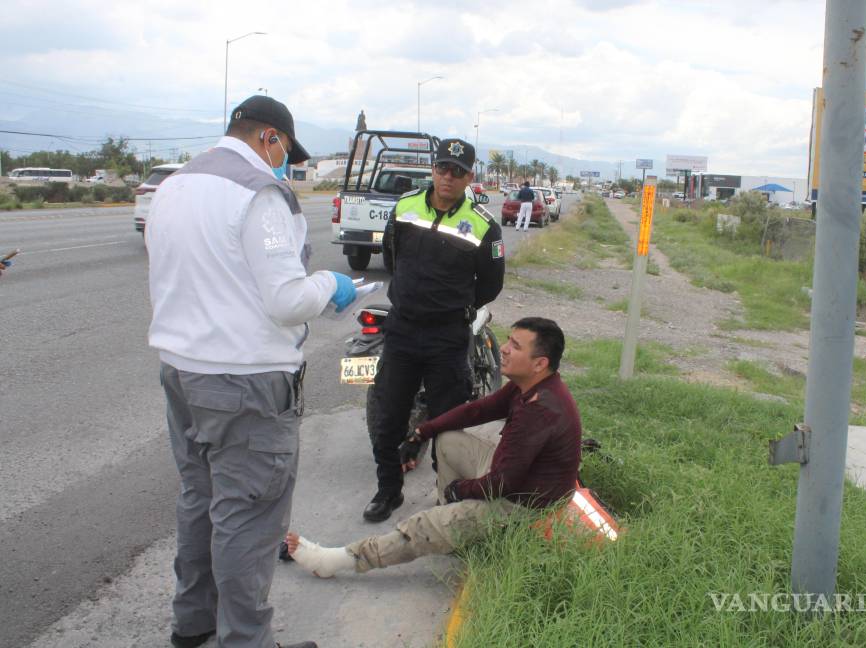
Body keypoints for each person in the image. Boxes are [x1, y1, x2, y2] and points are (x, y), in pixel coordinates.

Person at [146, 94, 343, 648]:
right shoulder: (258, 192)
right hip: (246, 382)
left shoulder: (175, 185)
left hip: (182, 372)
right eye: (284, 150)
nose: (285, 162)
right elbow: (285, 301)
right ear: (268, 138)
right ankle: (245, 641)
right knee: (249, 519)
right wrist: (332, 285)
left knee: (201, 501)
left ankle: (194, 622)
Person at [284, 317, 581, 577]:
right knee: (448, 440)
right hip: (513, 480)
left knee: (421, 526)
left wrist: (460, 490)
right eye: (507, 341)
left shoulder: (539, 409)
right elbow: (477, 410)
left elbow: (502, 483)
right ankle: (455, 526)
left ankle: (337, 560)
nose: (503, 348)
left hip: (524, 507)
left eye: (516, 346)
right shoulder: (530, 385)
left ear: (539, 363)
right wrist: (421, 432)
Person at [365, 138, 505, 523]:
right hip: (403, 332)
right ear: (433, 169)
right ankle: (388, 491)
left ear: (469, 177)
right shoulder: (405, 206)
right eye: (442, 168)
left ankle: (447, 497)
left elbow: (490, 285)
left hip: (446, 338)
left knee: (450, 423)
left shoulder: (483, 225)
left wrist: (453, 307)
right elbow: (391, 255)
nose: (448, 177)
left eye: (457, 171)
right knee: (388, 418)